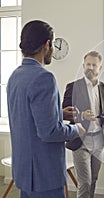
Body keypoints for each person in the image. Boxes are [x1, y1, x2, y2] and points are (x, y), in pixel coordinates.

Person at [6, 20, 86, 198]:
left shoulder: (15, 76)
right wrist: (76, 129)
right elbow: (49, 132)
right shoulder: (44, 77)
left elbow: (25, 115)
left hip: (24, 172)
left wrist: (58, 112)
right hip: (44, 175)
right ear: (47, 44)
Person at [62, 51, 104, 198]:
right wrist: (81, 115)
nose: (90, 67)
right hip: (80, 140)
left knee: (93, 180)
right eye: (88, 64)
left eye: (94, 65)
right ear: (83, 65)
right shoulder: (73, 87)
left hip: (98, 140)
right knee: (84, 182)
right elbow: (63, 112)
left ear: (100, 67)